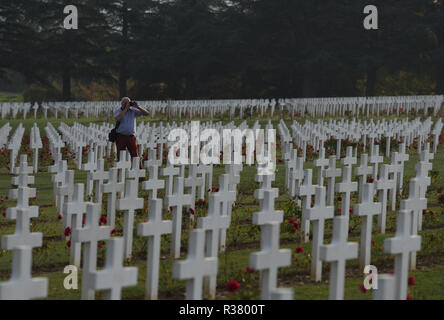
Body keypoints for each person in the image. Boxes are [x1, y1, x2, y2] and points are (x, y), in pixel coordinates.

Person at [114, 97, 149, 161]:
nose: (127, 104)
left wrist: (138, 107)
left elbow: (146, 114)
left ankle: (138, 169)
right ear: (121, 103)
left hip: (131, 136)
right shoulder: (118, 111)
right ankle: (120, 170)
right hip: (121, 136)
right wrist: (126, 109)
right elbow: (118, 118)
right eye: (125, 103)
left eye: (128, 103)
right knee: (120, 155)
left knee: (135, 155)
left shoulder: (133, 111)